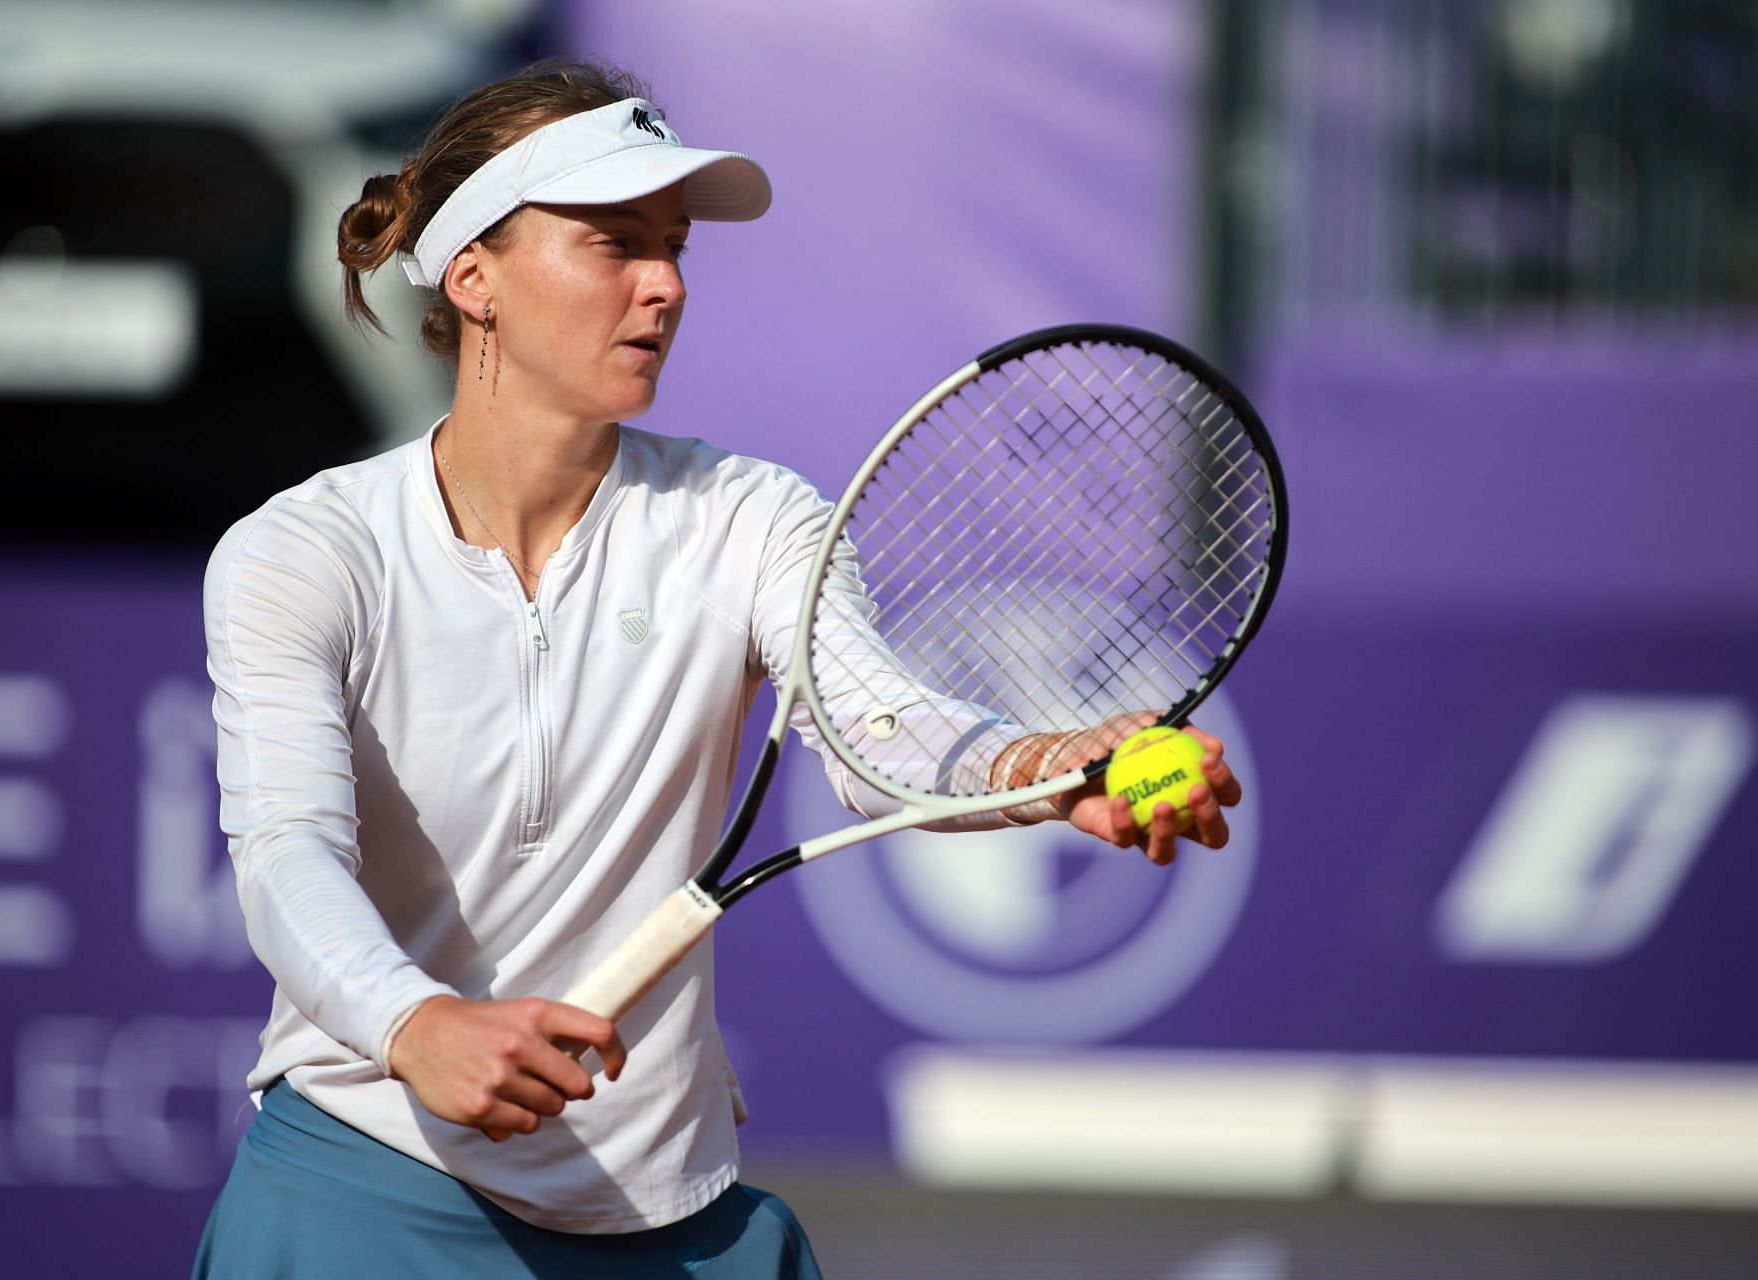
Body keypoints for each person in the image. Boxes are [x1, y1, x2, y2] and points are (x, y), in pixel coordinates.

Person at [192, 57, 1243, 1278]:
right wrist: (415, 1021)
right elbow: (286, 851)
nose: (666, 287)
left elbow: (884, 734)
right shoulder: (301, 551)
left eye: (677, 246)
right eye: (614, 244)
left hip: (672, 1218)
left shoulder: (748, 517)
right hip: (365, 1189)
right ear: (473, 274)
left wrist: (1044, 763)